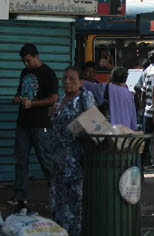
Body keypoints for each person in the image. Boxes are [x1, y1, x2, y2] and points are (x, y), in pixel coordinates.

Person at [8, 44, 58, 209]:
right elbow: (20, 93)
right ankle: (20, 197)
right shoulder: (25, 73)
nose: (26, 64)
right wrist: (17, 99)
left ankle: (57, 193)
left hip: (41, 124)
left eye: (28, 61)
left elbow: (53, 98)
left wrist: (33, 104)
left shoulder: (48, 73)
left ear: (36, 56)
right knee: (21, 160)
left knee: (46, 159)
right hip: (23, 123)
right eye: (23, 61)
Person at [49, 66, 96, 236]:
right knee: (58, 200)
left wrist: (76, 126)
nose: (67, 81)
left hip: (76, 159)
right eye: (65, 78)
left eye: (72, 79)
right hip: (58, 159)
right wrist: (52, 114)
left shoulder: (85, 97)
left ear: (80, 82)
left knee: (75, 201)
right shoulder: (61, 99)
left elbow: (93, 122)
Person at [138, 49, 154, 165]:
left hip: (147, 110)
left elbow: (142, 91)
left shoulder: (146, 71)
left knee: (146, 138)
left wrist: (143, 108)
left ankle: (141, 162)